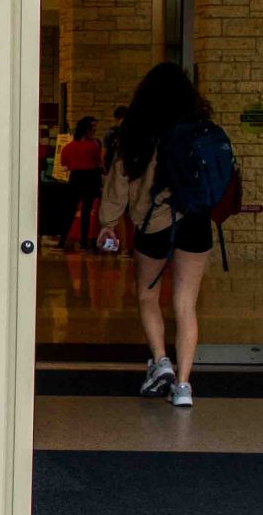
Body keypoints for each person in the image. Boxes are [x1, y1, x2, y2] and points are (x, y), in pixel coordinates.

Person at [99, 63, 209, 409]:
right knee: (185, 303)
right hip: (194, 220)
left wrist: (107, 221)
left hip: (153, 222)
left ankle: (161, 360)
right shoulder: (197, 129)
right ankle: (183, 385)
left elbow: (118, 181)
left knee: (148, 296)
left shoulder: (137, 131)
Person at [58, 117, 103, 250]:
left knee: (70, 211)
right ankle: (84, 243)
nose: (94, 130)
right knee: (86, 212)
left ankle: (62, 241)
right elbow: (98, 163)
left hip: (76, 177)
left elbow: (64, 166)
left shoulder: (69, 147)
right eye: (92, 127)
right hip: (90, 178)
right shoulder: (94, 145)